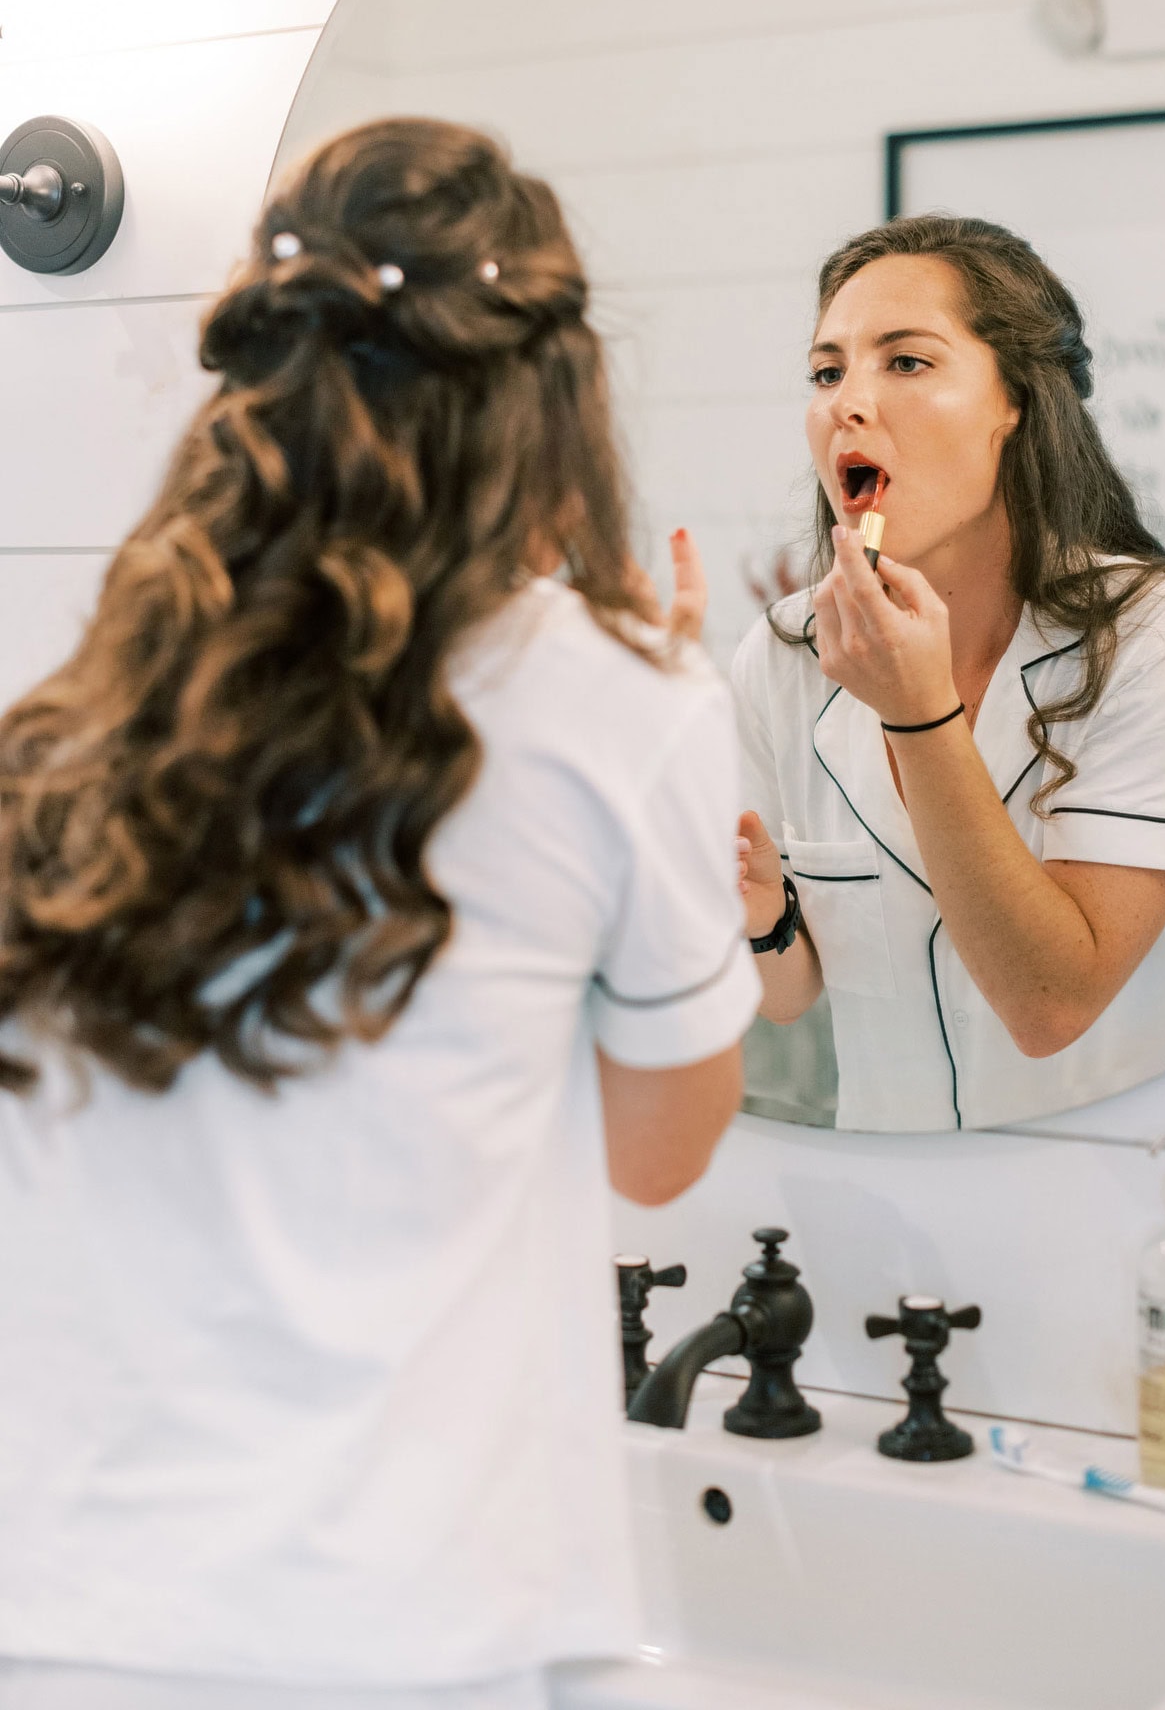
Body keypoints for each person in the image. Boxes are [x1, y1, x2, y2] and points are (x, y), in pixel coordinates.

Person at [0, 121, 758, 1706]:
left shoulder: (82, 710)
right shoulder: (620, 700)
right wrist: (665, 763)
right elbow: (656, 1150)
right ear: (548, 403)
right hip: (394, 1623)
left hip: (68, 1607)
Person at [733, 215, 1165, 1132]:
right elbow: (786, 993)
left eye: (906, 362)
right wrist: (752, 917)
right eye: (829, 371)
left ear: (1015, 401)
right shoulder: (784, 654)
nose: (848, 403)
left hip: (1148, 1193)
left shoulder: (1159, 641)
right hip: (908, 1208)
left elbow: (1050, 1005)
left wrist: (917, 715)